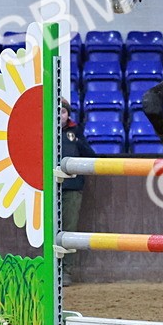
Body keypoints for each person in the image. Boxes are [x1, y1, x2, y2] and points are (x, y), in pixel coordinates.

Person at [60, 98, 96, 286]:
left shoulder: (76, 132)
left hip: (72, 188)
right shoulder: (44, 133)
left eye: (63, 112)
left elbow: (90, 155)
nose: (60, 115)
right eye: (57, 112)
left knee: (69, 230)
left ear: (68, 114)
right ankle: (52, 269)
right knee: (49, 231)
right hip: (48, 189)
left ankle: (67, 271)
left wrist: (79, 142)